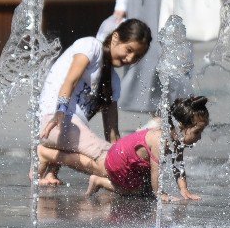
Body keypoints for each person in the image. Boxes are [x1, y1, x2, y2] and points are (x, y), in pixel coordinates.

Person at [35, 19, 153, 186]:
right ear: (115, 38)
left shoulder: (114, 82)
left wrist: (126, 154)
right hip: (53, 122)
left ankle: (50, 170)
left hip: (68, 132)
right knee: (115, 166)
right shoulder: (90, 46)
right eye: (129, 50)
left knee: (122, 166)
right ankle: (45, 154)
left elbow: (112, 133)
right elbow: (71, 80)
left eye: (137, 56)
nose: (130, 58)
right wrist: (59, 112)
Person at [39, 96, 209, 201]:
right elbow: (157, 172)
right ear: (180, 127)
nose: (200, 136)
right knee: (135, 191)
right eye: (197, 131)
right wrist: (160, 194)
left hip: (130, 160)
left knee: (145, 190)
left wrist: (184, 190)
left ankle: (51, 155)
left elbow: (178, 166)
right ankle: (100, 180)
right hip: (119, 160)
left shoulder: (177, 139)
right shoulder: (160, 140)